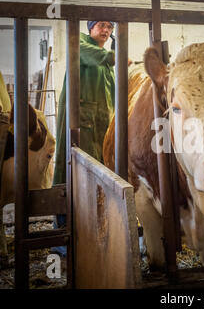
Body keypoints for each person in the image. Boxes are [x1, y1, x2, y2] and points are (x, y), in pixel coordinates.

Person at [52, 21, 116, 256]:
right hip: (78, 123)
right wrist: (112, 57)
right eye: (101, 25)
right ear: (90, 28)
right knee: (70, 172)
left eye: (109, 26)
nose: (106, 30)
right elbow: (89, 55)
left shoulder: (107, 59)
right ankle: (62, 235)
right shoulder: (79, 42)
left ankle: (93, 236)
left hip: (102, 126)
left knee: (99, 175)